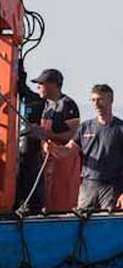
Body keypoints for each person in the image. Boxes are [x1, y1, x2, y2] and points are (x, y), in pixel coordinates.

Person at [50, 84, 123, 211]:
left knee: (108, 225)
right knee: (82, 224)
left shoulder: (120, 129)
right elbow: (68, 151)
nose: (96, 104)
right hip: (88, 186)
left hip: (112, 187)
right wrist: (53, 149)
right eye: (93, 100)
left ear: (111, 100)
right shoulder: (84, 127)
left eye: (100, 99)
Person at [28, 68, 81, 212]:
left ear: (54, 85)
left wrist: (47, 135)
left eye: (41, 83)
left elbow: (74, 136)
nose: (38, 86)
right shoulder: (47, 105)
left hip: (64, 163)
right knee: (48, 198)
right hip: (48, 161)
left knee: (62, 200)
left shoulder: (68, 105)